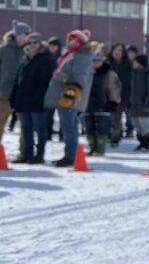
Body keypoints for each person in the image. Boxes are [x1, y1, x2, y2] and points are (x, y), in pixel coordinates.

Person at [46, 30, 94, 167]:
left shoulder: (81, 57)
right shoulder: (73, 54)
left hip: (70, 98)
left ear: (78, 41)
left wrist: (59, 76)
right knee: (69, 126)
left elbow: (78, 80)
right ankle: (70, 154)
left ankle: (71, 156)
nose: (67, 41)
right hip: (67, 97)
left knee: (69, 127)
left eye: (70, 39)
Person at [8, 33, 54, 164]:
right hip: (23, 100)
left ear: (40, 44)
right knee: (26, 128)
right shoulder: (25, 58)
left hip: (38, 101)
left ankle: (39, 154)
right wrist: (13, 98)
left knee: (40, 129)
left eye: (35, 42)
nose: (32, 45)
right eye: (30, 42)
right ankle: (27, 153)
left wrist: (41, 98)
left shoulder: (46, 58)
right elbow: (17, 79)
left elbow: (47, 82)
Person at [84, 44, 121, 158]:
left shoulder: (109, 73)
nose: (96, 63)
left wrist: (112, 102)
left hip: (103, 104)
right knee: (89, 128)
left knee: (102, 129)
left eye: (98, 60)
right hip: (88, 104)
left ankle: (100, 149)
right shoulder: (87, 72)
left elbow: (114, 89)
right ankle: (92, 148)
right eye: (94, 60)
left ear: (102, 61)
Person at [0, 20, 31, 136]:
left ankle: (25, 147)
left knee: (25, 125)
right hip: (4, 93)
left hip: (22, 94)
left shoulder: (29, 51)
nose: (26, 37)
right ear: (17, 34)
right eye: (25, 34)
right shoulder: (4, 50)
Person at [128, 54, 149, 152]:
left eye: (135, 62)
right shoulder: (134, 72)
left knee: (145, 124)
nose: (133, 63)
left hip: (143, 104)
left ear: (140, 63)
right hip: (134, 104)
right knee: (137, 124)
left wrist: (148, 104)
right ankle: (142, 143)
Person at [107, 42, 130, 146]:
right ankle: (109, 135)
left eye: (120, 50)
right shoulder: (107, 63)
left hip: (121, 95)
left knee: (116, 117)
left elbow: (129, 81)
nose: (117, 52)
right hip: (107, 94)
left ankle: (115, 137)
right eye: (115, 50)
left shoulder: (127, 64)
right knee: (107, 118)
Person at [123, 46, 140, 138]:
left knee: (130, 113)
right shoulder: (124, 63)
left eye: (133, 53)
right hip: (124, 91)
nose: (131, 55)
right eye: (129, 53)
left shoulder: (138, 64)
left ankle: (130, 129)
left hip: (134, 92)